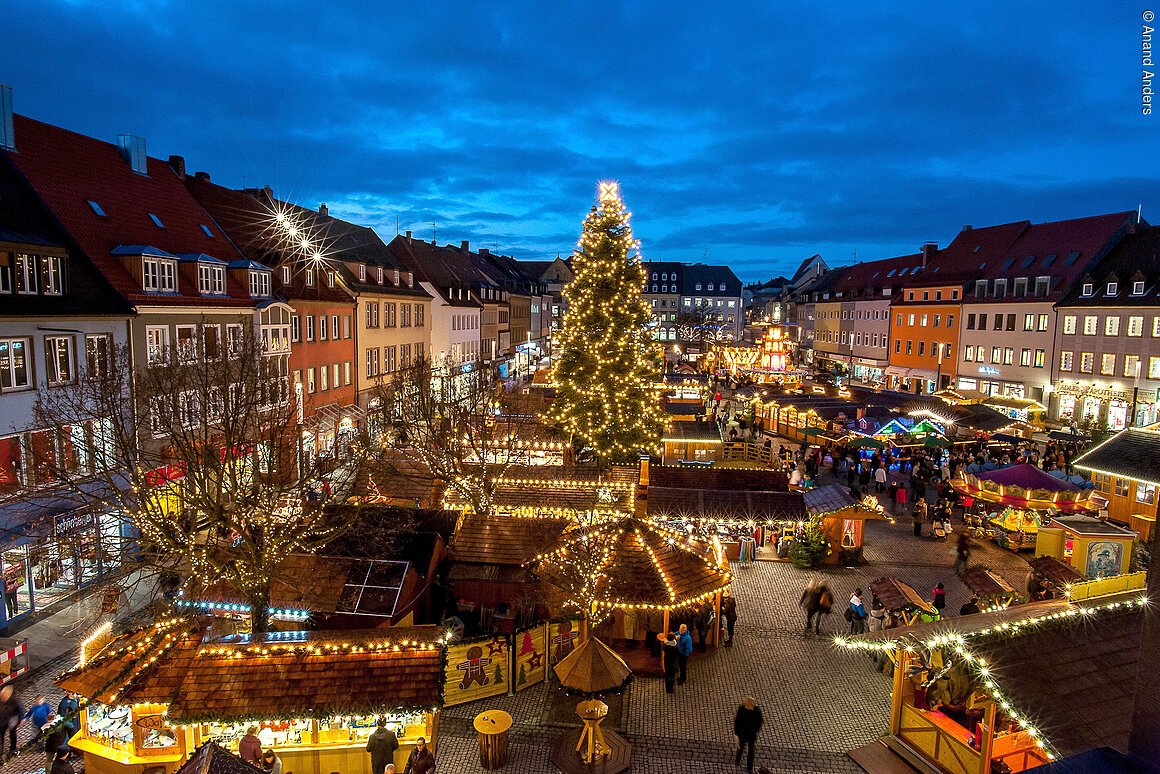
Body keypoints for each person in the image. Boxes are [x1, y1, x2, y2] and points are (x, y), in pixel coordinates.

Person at [733, 696, 765, 773]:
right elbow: (737, 722)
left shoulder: (757, 711)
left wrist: (754, 730)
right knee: (740, 748)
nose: (746, 707)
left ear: (752, 705)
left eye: (748, 705)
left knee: (751, 751)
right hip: (742, 734)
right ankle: (737, 760)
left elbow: (760, 722)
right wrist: (736, 734)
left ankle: (749, 766)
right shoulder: (742, 709)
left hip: (751, 734)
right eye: (746, 705)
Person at [0, 685, 22, 758]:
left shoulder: (14, 701)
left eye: (4, 695)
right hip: (3, 719)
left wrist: (21, 719)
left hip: (12, 718)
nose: (3, 697)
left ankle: (13, 748)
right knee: (1, 733)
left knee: (12, 733)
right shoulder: (1, 700)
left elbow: (21, 710)